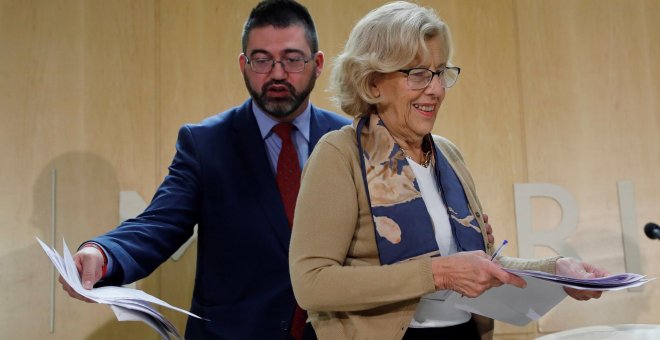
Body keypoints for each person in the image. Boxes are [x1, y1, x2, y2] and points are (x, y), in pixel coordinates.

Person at [288, 2, 606, 339]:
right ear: (373, 82)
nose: (437, 89)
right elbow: (313, 282)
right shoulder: (340, 155)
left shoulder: (447, 154)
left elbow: (475, 266)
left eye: (440, 72)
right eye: (418, 74)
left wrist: (556, 271)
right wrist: (437, 274)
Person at [59, 0, 350, 339]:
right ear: (243, 64)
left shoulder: (348, 142)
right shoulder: (206, 144)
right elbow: (160, 223)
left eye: (292, 59)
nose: (277, 73)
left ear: (317, 64)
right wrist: (103, 253)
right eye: (261, 60)